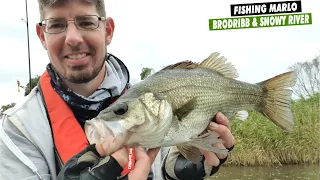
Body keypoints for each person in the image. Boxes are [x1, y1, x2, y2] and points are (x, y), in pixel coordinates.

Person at [0, 0, 235, 180]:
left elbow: (163, 158)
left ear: (108, 30)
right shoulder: (15, 131)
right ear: (42, 36)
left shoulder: (145, 102)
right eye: (57, 25)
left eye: (86, 22)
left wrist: (185, 167)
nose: (72, 38)